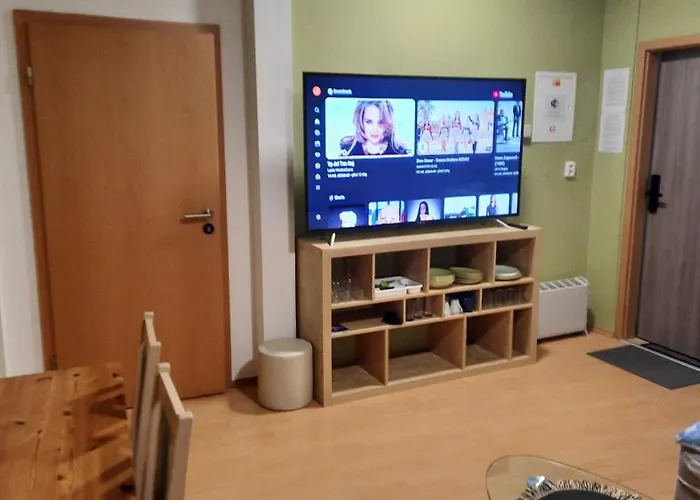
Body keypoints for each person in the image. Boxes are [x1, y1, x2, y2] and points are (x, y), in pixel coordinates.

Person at [339, 100, 408, 156]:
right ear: (360, 121)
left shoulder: (400, 152)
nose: (375, 129)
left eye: (381, 122)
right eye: (369, 122)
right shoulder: (347, 148)